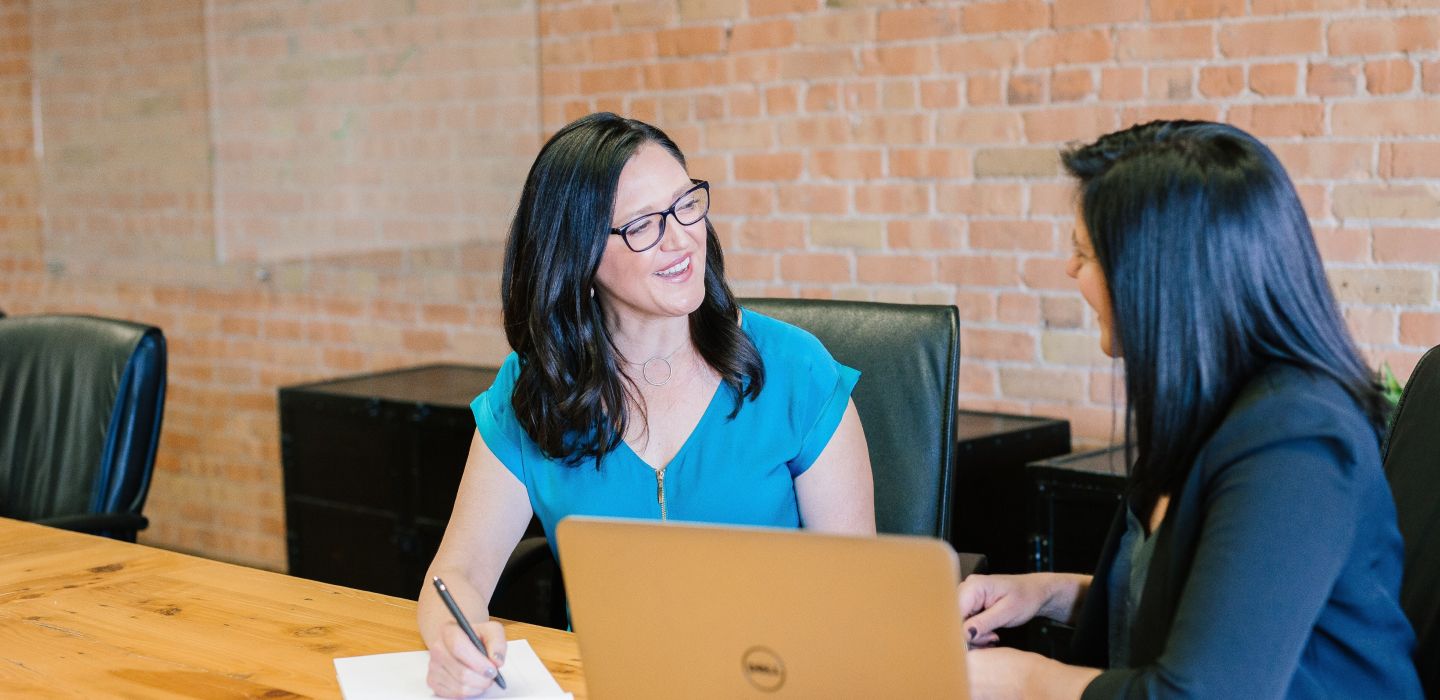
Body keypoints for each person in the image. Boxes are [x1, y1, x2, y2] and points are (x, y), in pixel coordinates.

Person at [417, 112, 876, 698]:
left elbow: (858, 593)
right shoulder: (535, 391)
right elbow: (454, 575)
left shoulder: (796, 371)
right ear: (578, 256)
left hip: (773, 683)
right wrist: (453, 643)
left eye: (687, 205)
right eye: (642, 225)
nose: (683, 237)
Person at [958, 121, 1423, 698]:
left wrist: (1028, 679)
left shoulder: (1296, 441)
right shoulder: (1205, 409)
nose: (1070, 270)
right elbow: (1199, 605)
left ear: (1161, 273)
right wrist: (1047, 594)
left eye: (1084, 251)